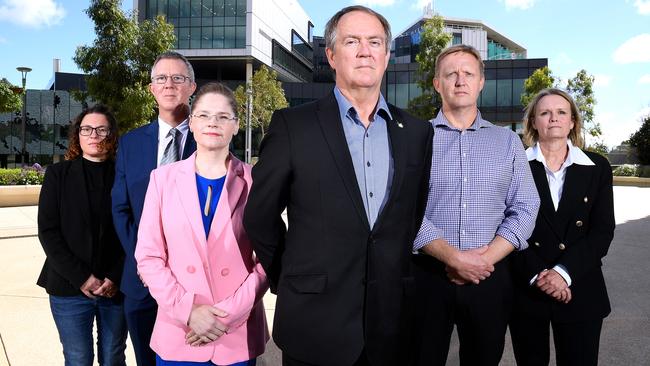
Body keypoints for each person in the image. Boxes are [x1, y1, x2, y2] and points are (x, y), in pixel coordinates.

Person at [243, 6, 433, 366]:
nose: (365, 50)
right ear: (331, 55)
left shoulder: (418, 133)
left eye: (375, 42)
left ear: (387, 55)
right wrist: (289, 275)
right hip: (315, 323)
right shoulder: (292, 126)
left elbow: (411, 215)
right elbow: (259, 216)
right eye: (352, 41)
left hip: (392, 323)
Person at [411, 44, 540, 366]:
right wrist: (453, 257)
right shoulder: (414, 139)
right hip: (427, 276)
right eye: (450, 74)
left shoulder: (508, 141)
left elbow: (525, 206)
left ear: (481, 82)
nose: (460, 80)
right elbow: (402, 208)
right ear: (437, 83)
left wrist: (482, 260)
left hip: (490, 278)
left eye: (468, 73)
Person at [135, 82, 268, 366]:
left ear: (235, 126)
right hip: (180, 331)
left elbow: (268, 260)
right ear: (191, 123)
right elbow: (148, 257)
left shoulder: (257, 182)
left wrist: (229, 314)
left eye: (223, 117)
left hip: (236, 332)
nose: (213, 123)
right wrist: (189, 312)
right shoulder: (162, 180)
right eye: (204, 115)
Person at [509, 88, 615, 366]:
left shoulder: (598, 167)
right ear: (533, 122)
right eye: (544, 113)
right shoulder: (514, 164)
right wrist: (540, 276)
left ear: (572, 122)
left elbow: (602, 231)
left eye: (561, 112)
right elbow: (506, 226)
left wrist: (562, 273)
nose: (553, 118)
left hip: (580, 287)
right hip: (528, 289)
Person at [112, 51, 197, 366]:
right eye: (161, 78)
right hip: (142, 282)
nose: (169, 84)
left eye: (178, 78)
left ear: (191, 86)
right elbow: (121, 209)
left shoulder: (208, 141)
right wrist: (147, 263)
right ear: (151, 88)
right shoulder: (131, 143)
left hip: (196, 286)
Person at [37, 105, 127, 365]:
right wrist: (82, 278)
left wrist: (115, 275)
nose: (94, 135)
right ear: (78, 135)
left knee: (113, 355)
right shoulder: (58, 175)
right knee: (78, 358)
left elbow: (135, 229)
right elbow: (48, 232)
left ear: (112, 135)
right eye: (87, 129)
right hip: (69, 286)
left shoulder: (124, 175)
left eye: (102, 129)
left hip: (115, 287)